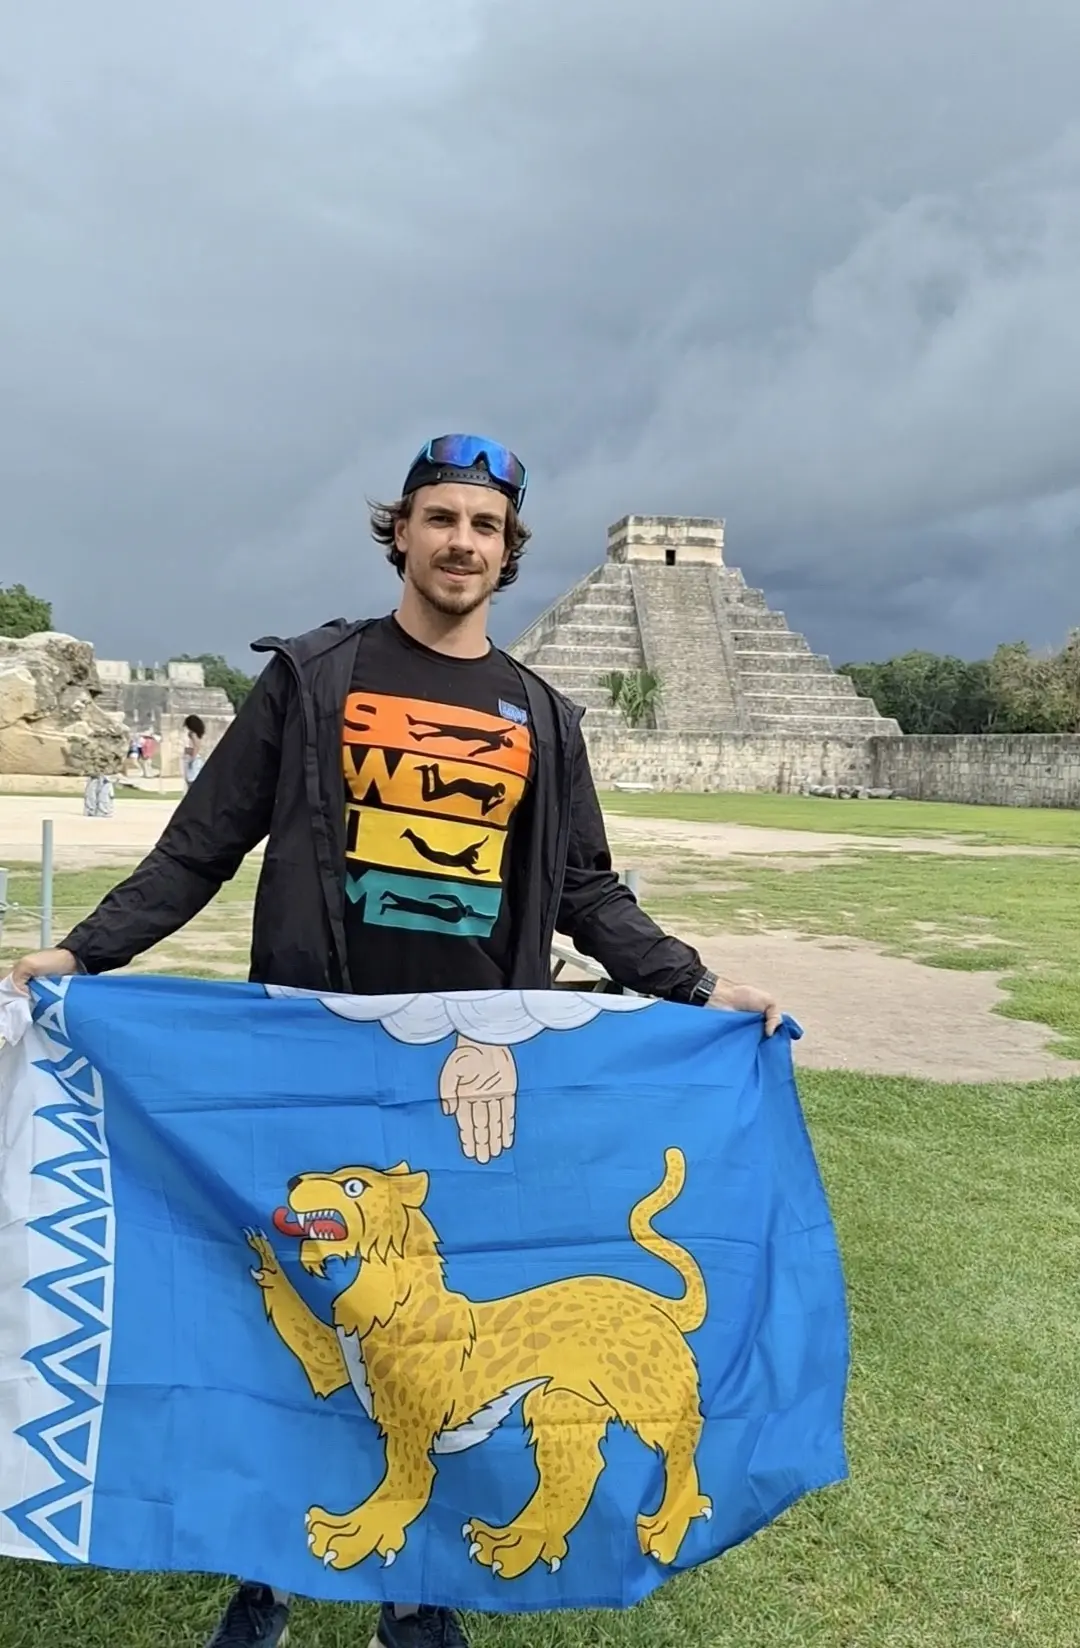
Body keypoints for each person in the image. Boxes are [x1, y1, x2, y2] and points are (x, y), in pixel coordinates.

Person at [9, 432, 782, 1648]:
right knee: (291, 1318)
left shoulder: (542, 714)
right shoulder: (315, 677)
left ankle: (417, 1591)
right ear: (402, 532)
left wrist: (696, 983)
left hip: (464, 1070)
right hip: (309, 1059)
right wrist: (81, 954)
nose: (462, 542)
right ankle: (267, 1570)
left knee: (432, 1336)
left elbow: (586, 889)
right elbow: (202, 845)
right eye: (442, 518)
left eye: (485, 525)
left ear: (507, 550)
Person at [182, 712, 207, 788]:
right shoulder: (197, 734)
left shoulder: (192, 734)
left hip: (193, 759)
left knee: (191, 780)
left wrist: (192, 758)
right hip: (195, 758)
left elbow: (196, 746)